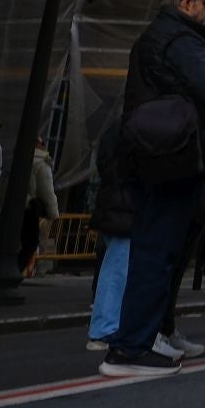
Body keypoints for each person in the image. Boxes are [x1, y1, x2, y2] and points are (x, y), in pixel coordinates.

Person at [102, 0, 205, 377]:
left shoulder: (158, 36)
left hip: (156, 156)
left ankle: (149, 336)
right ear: (187, 3)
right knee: (157, 253)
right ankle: (130, 349)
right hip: (174, 159)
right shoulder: (181, 40)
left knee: (162, 251)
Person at [87, 122, 133, 352]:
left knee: (111, 266)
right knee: (117, 270)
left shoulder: (113, 130)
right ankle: (105, 329)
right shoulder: (133, 132)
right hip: (123, 208)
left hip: (110, 206)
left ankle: (107, 325)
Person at [0, 134, 58, 276]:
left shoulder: (13, 160)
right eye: (42, 142)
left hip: (9, 208)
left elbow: (0, 188)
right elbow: (47, 191)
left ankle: (1, 271)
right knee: (30, 243)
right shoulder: (41, 163)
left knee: (6, 243)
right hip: (28, 210)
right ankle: (13, 271)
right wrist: (53, 213)